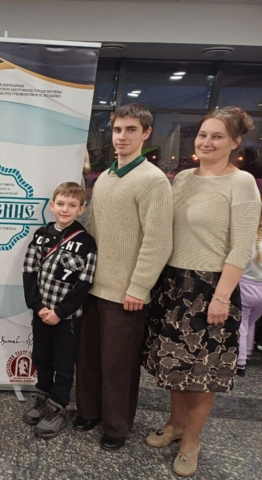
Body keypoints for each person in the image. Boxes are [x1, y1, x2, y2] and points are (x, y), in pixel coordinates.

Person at [144, 107, 261, 477]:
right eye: (203, 135)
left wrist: (222, 297)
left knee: (202, 374)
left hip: (211, 288)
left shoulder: (241, 183)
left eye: (217, 136)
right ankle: (175, 424)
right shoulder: (182, 179)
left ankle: (191, 441)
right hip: (174, 283)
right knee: (175, 367)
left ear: (235, 142)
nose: (207, 142)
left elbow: (241, 248)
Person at [74, 103, 174, 451]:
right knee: (89, 357)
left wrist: (139, 286)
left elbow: (158, 241)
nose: (122, 136)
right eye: (117, 130)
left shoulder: (153, 181)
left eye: (131, 130)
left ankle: (116, 427)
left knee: (118, 364)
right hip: (93, 286)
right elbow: (94, 230)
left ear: (146, 134)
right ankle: (88, 411)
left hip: (126, 293)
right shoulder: (105, 177)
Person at [22, 182, 97, 439]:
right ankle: (42, 398)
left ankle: (58, 406)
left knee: (64, 364)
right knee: (41, 357)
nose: (65, 209)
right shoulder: (41, 235)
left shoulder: (86, 242)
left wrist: (61, 312)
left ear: (81, 209)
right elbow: (29, 270)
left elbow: (85, 281)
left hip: (68, 318)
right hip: (42, 312)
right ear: (52, 206)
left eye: (72, 205)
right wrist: (38, 306)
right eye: (61, 204)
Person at [236, 216, 262, 377]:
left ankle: (240, 361)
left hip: (246, 286)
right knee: (252, 322)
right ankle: (248, 351)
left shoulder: (248, 240)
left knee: (242, 324)